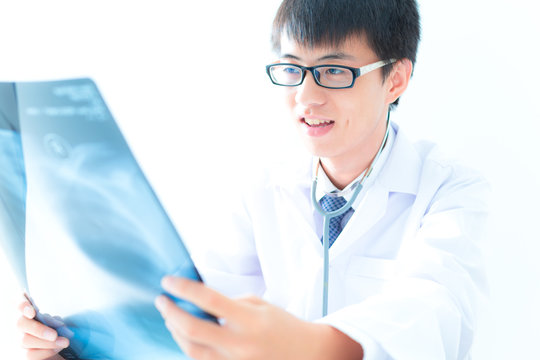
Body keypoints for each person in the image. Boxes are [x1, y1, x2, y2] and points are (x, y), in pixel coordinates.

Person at [17, 0, 490, 359]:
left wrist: (308, 345)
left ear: (396, 79)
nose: (306, 96)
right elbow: (200, 324)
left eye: (332, 70)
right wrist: (74, 343)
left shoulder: (449, 188)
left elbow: (436, 309)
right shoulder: (262, 186)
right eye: (292, 69)